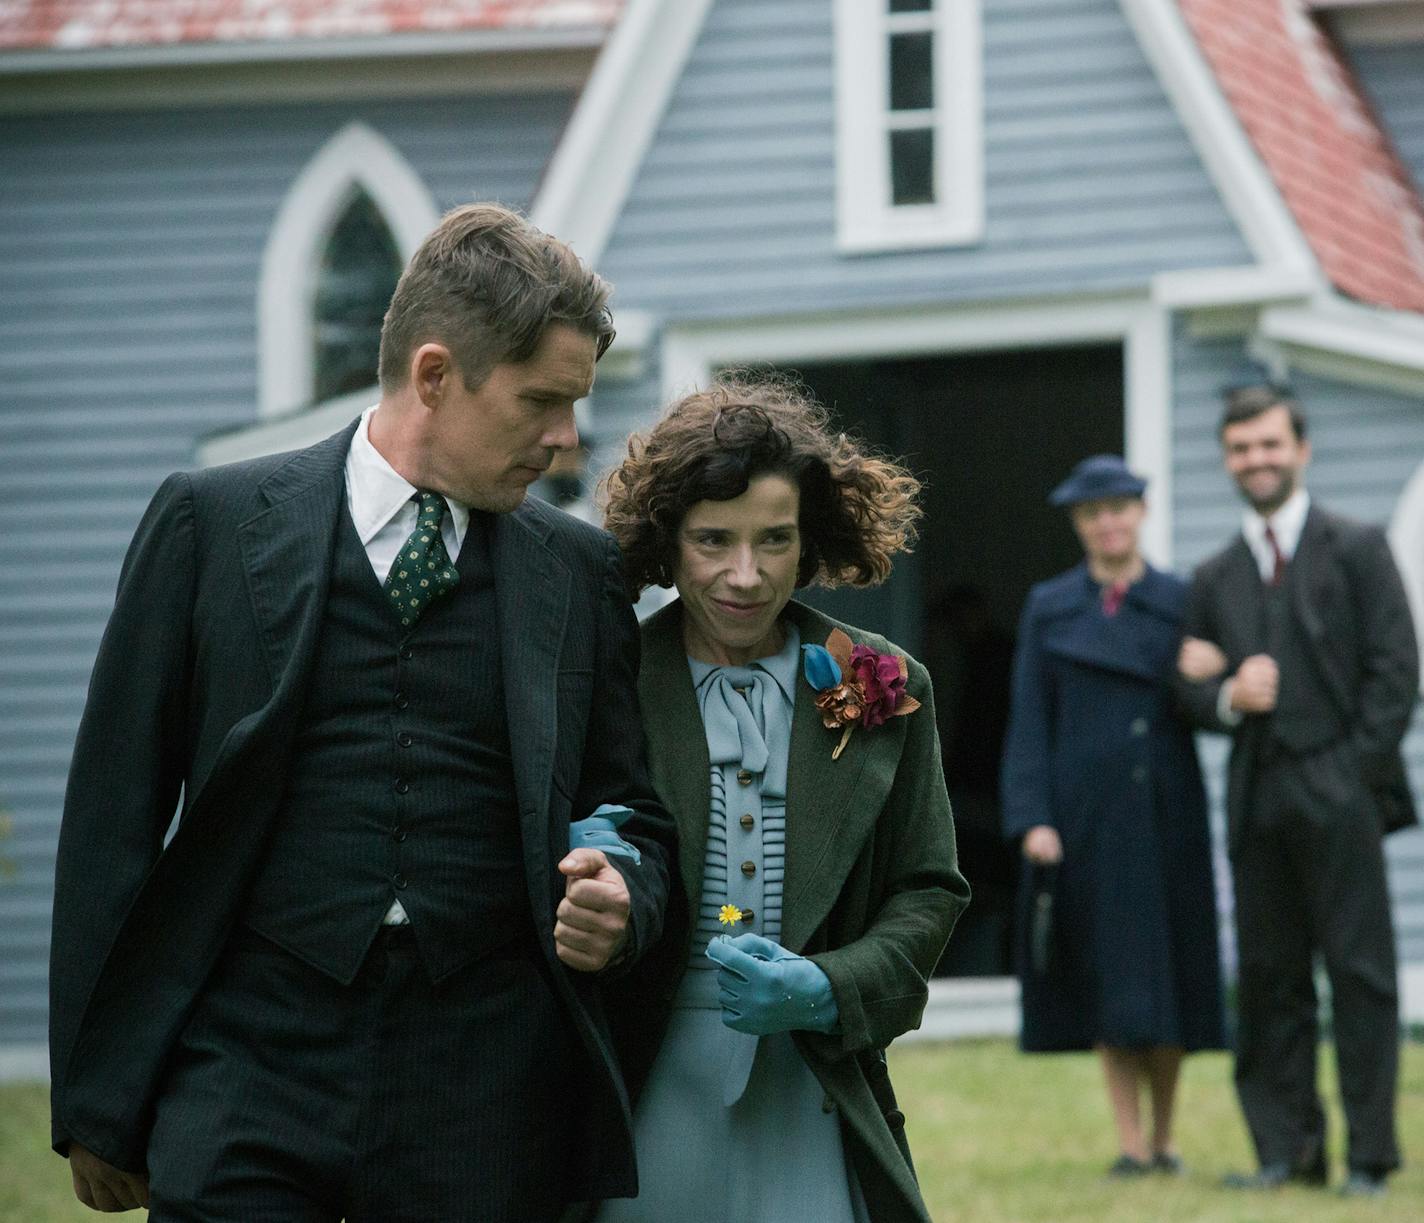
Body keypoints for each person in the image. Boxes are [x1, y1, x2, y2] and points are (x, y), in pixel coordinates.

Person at [49, 203, 677, 1221]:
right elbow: (111, 818)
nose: (566, 440)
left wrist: (626, 893)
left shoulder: (578, 570)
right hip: (249, 1055)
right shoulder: (208, 526)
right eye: (540, 402)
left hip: (484, 1073)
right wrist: (95, 1092)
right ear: (434, 375)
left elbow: (630, 812)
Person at [590, 377, 969, 1222]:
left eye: (775, 540)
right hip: (647, 1086)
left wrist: (829, 985)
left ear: (812, 541)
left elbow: (928, 889)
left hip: (814, 1085)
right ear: (666, 541)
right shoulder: (605, 679)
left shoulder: (882, 681)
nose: (745, 574)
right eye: (712, 539)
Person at [1175, 383, 1417, 1198]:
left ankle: (1371, 1159)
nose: (1258, 459)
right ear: (1227, 460)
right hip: (1256, 796)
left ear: (1301, 448)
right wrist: (1225, 697)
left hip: (1340, 787)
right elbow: (1189, 686)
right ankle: (1287, 1153)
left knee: (1360, 976)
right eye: (1242, 448)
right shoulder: (1214, 574)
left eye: (1271, 444)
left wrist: (1353, 772)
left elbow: (1397, 672)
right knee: (1271, 981)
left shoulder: (1357, 547)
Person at [1000, 455, 1224, 1178]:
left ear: (1142, 513)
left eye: (1121, 507)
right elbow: (1029, 716)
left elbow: (1210, 697)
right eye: (1094, 512)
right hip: (1083, 819)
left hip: (1166, 811)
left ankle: (1165, 1138)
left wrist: (1212, 673)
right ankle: (1130, 1144)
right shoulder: (1049, 604)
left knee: (1168, 974)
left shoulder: (1183, 599)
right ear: (1078, 523)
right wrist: (1032, 814)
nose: (1109, 521)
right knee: (1108, 975)